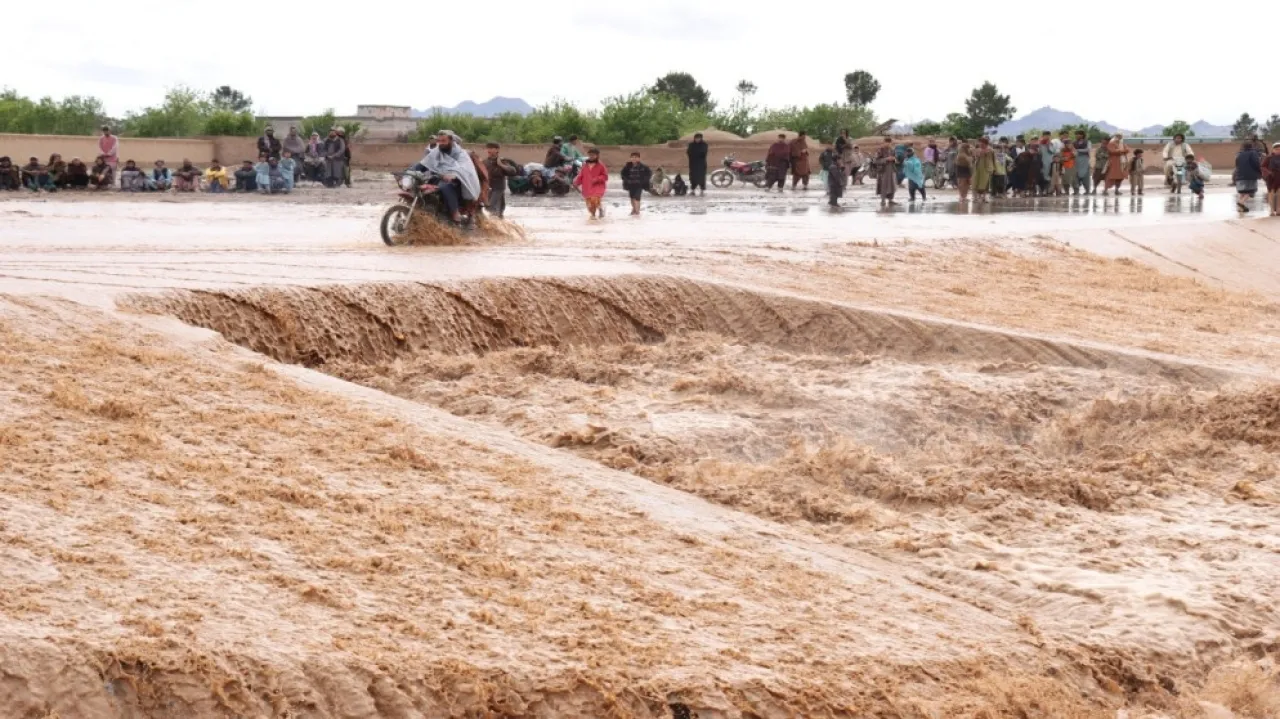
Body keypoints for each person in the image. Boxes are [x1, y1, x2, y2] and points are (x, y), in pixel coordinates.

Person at [422, 130, 482, 224]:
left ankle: (456, 212)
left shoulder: (462, 154)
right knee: (424, 184)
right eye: (439, 141)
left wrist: (454, 175)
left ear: (452, 141)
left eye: (443, 141)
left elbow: (464, 168)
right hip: (439, 177)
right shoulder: (436, 152)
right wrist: (410, 171)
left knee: (445, 186)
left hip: (458, 181)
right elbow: (425, 163)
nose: (440, 143)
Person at [482, 143, 517, 218]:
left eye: (492, 148)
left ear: (497, 150)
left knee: (491, 206)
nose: (490, 150)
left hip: (498, 187)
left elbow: (513, 171)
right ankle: (498, 220)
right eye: (488, 148)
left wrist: (501, 165)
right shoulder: (484, 162)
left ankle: (495, 220)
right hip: (488, 187)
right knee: (493, 207)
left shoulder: (502, 161)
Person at [572, 147, 608, 219]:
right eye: (590, 155)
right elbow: (581, 175)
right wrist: (576, 183)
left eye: (593, 155)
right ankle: (594, 213)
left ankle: (598, 211)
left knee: (594, 199)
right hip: (587, 186)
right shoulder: (584, 164)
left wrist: (597, 179)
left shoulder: (601, 165)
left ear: (597, 155)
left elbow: (605, 176)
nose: (591, 156)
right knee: (589, 202)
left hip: (598, 186)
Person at [621, 151, 652, 216]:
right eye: (632, 157)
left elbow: (649, 174)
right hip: (630, 185)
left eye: (636, 157)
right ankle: (634, 210)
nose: (634, 159)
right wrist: (626, 180)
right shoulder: (627, 166)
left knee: (637, 198)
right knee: (632, 198)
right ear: (630, 158)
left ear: (639, 158)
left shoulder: (643, 167)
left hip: (639, 185)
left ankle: (637, 212)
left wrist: (644, 181)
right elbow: (623, 174)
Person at [1234, 140, 1262, 213]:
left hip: (1240, 175)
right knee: (1250, 191)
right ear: (1252, 146)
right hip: (1250, 176)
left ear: (1243, 146)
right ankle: (1241, 202)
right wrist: (1260, 172)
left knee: (1242, 191)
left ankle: (1240, 208)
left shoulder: (1239, 154)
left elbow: (1236, 165)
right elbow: (1256, 163)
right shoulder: (1253, 153)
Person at [874, 136, 898, 205]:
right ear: (884, 142)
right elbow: (876, 161)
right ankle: (883, 200)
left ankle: (890, 200)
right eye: (886, 142)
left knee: (892, 185)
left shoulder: (892, 150)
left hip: (892, 170)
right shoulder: (880, 150)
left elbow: (896, 159)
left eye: (889, 142)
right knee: (883, 185)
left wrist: (894, 159)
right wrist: (886, 159)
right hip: (883, 170)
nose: (888, 144)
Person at [973, 137, 995, 202]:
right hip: (978, 168)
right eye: (979, 142)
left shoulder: (991, 150)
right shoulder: (978, 150)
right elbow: (975, 157)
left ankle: (984, 197)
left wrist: (994, 168)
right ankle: (976, 197)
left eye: (981, 142)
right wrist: (979, 153)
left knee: (986, 183)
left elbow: (993, 159)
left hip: (987, 168)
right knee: (976, 183)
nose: (980, 144)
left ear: (985, 143)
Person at [1073, 131, 1092, 195]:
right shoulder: (1074, 142)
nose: (1077, 136)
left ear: (1082, 135)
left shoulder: (1088, 142)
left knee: (1085, 175)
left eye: (1078, 134)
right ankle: (1076, 190)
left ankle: (1087, 190)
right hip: (1076, 159)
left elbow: (1088, 149)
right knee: (1076, 175)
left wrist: (1078, 150)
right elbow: (1072, 150)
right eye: (1076, 134)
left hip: (1084, 160)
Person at [1264, 143, 1280, 216]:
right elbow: (1263, 167)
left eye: (1279, 149)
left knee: (1279, 194)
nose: (1278, 151)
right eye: (1276, 149)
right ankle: (1271, 210)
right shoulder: (1269, 158)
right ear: (1273, 150)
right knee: (1271, 194)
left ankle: (1278, 209)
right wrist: (1269, 173)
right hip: (1271, 178)